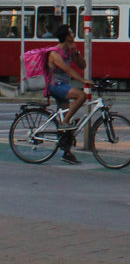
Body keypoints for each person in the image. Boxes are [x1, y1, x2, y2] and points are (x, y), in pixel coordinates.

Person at [46, 24, 93, 165]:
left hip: (64, 86)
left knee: (70, 122)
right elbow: (68, 70)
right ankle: (64, 123)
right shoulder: (55, 53)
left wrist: (76, 52)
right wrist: (83, 80)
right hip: (55, 86)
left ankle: (67, 153)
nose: (73, 34)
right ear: (66, 36)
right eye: (71, 33)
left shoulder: (70, 51)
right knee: (81, 96)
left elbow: (82, 65)